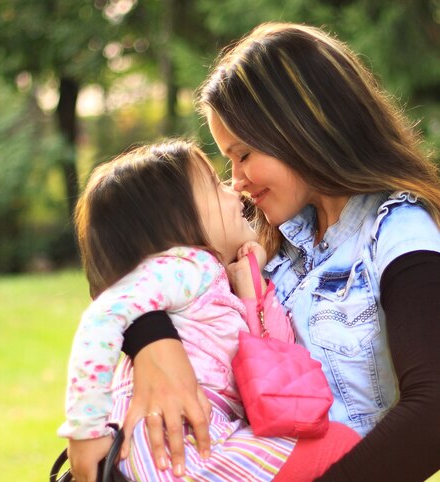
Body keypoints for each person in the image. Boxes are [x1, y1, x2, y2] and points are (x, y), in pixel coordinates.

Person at [119, 23, 440, 482]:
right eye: (227, 160)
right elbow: (137, 268)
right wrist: (151, 340)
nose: (236, 180)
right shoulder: (271, 247)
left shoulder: (398, 233)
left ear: (301, 130)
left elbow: (433, 414)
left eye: (244, 154)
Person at [57, 140, 360, 482]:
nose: (233, 191)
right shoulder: (185, 267)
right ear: (176, 220)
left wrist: (251, 287)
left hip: (188, 446)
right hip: (178, 447)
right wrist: (85, 431)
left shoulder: (207, 284)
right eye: (216, 186)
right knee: (341, 447)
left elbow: (272, 364)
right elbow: (103, 315)